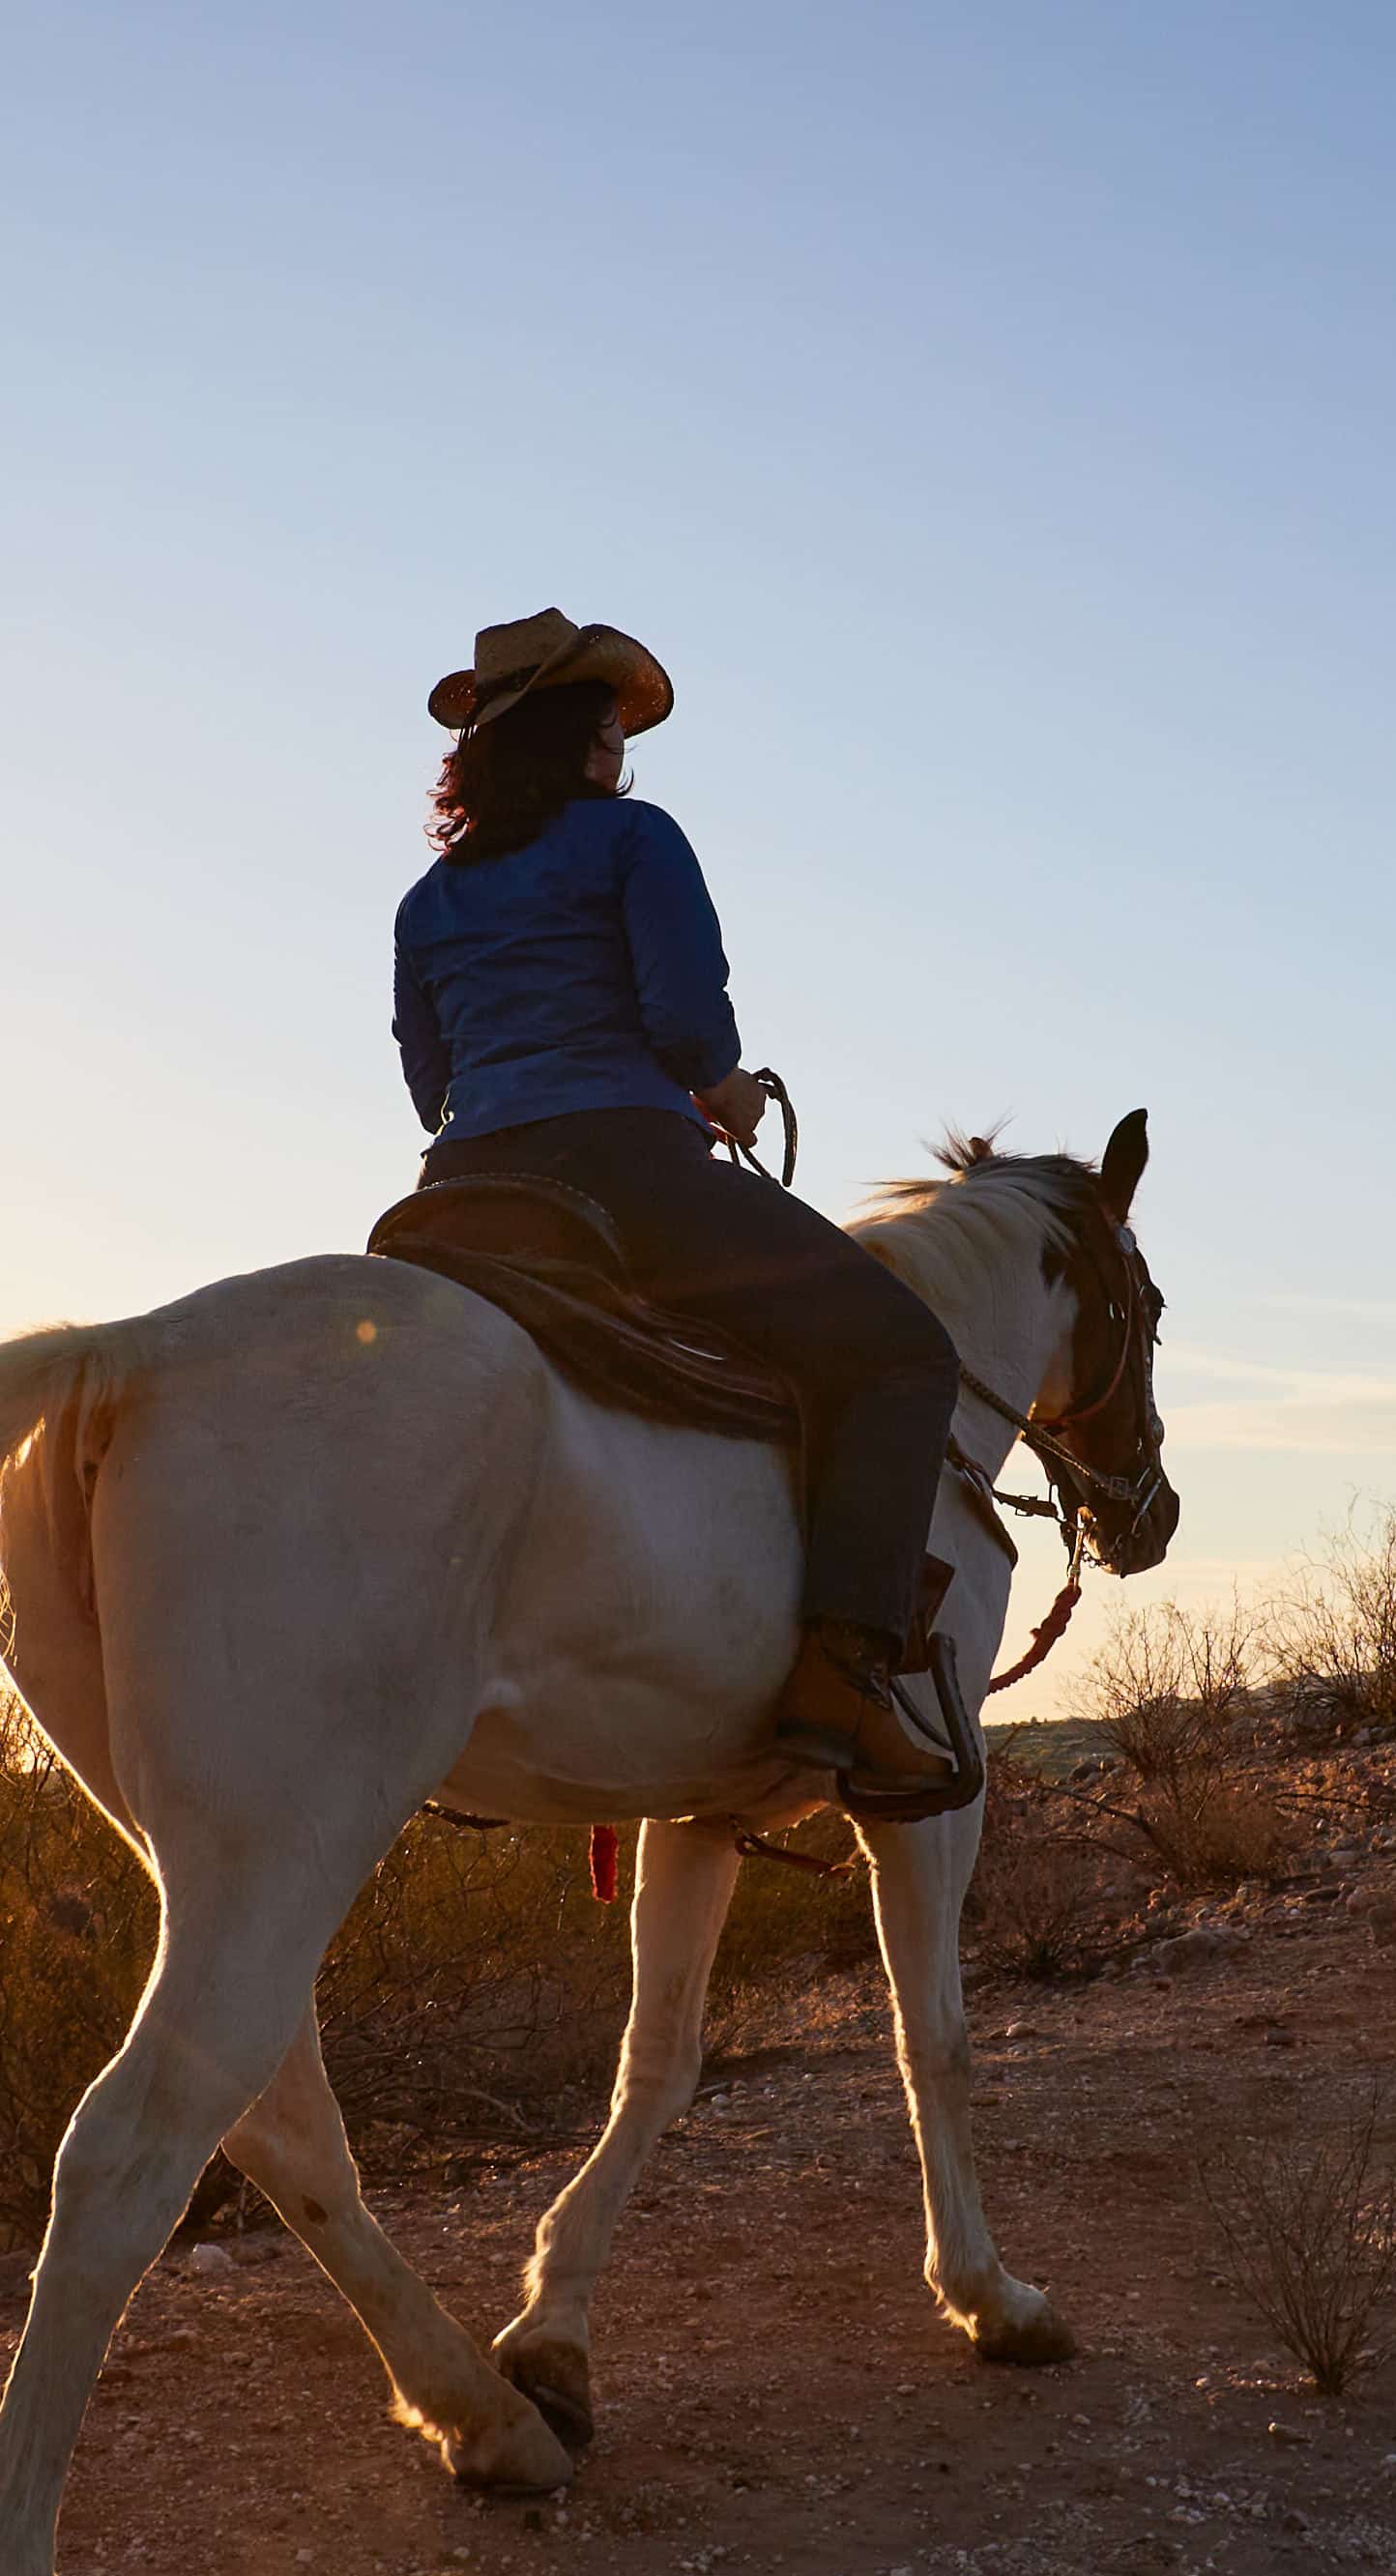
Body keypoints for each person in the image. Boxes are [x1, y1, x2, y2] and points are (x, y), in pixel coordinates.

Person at [392, 611, 976, 1815]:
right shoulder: (633, 841)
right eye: (608, 723)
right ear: (579, 737)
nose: (619, 744)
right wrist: (730, 1093)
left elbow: (426, 1080)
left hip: (456, 1195)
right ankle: (844, 1675)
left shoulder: (426, 902)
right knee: (902, 1354)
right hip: (623, 1172)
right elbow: (685, 1028)